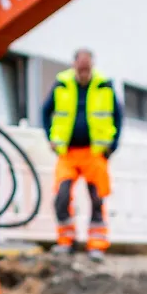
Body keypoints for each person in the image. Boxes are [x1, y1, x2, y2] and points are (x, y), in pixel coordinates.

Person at [41, 48, 123, 261]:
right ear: (74, 65)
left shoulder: (104, 85)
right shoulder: (62, 84)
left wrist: (112, 146)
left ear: (92, 66)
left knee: (97, 198)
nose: (84, 72)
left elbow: (118, 115)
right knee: (61, 196)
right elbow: (45, 110)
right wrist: (49, 136)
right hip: (68, 153)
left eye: (87, 68)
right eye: (81, 68)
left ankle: (96, 244)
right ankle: (65, 241)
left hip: (94, 152)